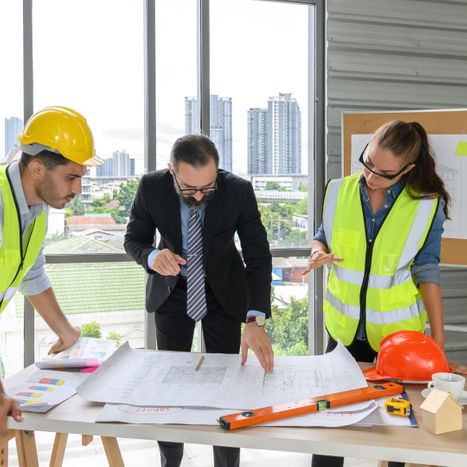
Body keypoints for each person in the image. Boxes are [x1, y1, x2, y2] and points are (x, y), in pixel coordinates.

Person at [303, 120, 467, 467]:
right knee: (330, 425)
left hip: (399, 340)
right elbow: (321, 235)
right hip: (344, 332)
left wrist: (437, 342)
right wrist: (317, 251)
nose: (370, 176)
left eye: (384, 173)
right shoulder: (338, 190)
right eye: (367, 162)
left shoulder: (426, 205)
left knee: (397, 427)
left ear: (408, 170)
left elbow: (427, 270)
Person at [124, 134, 273, 467]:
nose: (201, 195)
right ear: (171, 172)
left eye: (209, 186)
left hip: (224, 292)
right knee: (170, 382)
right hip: (173, 291)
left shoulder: (237, 190)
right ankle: (171, 457)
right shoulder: (151, 187)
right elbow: (134, 239)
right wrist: (151, 257)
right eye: (190, 189)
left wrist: (255, 319)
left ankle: (226, 461)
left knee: (227, 386)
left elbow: (258, 255)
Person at [0, 106, 102, 435]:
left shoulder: (38, 209)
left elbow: (32, 275)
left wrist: (67, 333)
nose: (78, 189)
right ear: (38, 168)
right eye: (71, 177)